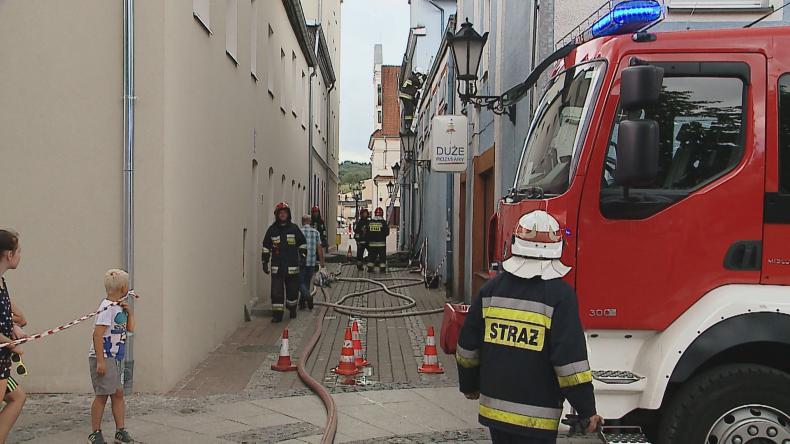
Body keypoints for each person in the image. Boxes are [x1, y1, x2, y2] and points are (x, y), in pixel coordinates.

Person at [456, 210, 603, 444]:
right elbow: (569, 365)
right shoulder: (560, 296)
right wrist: (587, 409)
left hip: (495, 412)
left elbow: (467, 348)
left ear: (515, 243)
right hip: (538, 419)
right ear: (558, 247)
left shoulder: (491, 290)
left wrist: (469, 385)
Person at [88, 269, 135, 444]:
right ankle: (95, 433)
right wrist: (100, 361)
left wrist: (129, 312)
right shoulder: (106, 308)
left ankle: (120, 431)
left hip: (115, 357)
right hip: (104, 356)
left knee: (118, 393)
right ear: (123, 288)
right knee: (102, 394)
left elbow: (130, 328)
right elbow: (97, 335)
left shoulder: (118, 307)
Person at [0, 230, 26, 443]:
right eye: (18, 251)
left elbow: (17, 317)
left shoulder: (2, 282)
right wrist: (11, 344)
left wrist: (14, 327)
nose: (20, 256)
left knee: (17, 397)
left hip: (3, 363)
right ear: (9, 254)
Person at [262, 202, 307, 322]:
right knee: (276, 293)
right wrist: (264, 262)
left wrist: (303, 256)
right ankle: (277, 315)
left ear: (288, 214)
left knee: (292, 292)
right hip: (277, 268)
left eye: (284, 213)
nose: (282, 215)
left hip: (292, 267)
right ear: (277, 215)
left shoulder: (294, 228)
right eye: (280, 213)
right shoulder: (272, 230)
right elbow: (266, 247)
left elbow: (302, 243)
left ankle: (292, 309)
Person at [299, 215, 325, 310]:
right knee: (306, 282)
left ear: (302, 222)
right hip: (311, 262)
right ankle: (302, 302)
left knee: (300, 282)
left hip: (301, 262)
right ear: (310, 222)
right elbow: (319, 248)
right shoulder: (316, 232)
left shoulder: (299, 232)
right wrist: (322, 262)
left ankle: (307, 296)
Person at [365, 207, 389, 273]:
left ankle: (370, 268)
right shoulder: (383, 222)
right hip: (381, 244)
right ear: (382, 214)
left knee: (371, 256)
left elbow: (367, 232)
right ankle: (382, 269)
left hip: (372, 244)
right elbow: (387, 232)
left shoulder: (370, 222)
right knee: (382, 257)